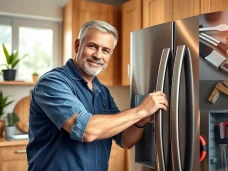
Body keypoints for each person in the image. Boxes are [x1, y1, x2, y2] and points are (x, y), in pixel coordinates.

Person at [27, 20, 168, 171]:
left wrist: (141, 121)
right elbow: (86, 130)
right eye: (92, 46)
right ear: (77, 45)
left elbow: (126, 140)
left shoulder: (102, 91)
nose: (98, 55)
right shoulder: (52, 82)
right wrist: (140, 111)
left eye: (106, 50)